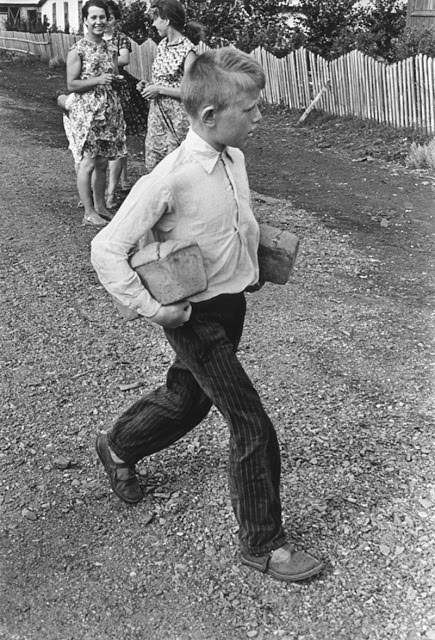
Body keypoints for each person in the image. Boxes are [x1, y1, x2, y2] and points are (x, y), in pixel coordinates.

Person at [90, 48, 324, 583]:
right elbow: (106, 248)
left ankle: (118, 445)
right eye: (252, 107)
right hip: (193, 314)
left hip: (230, 304)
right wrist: (155, 309)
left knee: (188, 396)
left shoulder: (233, 158)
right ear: (211, 115)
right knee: (250, 423)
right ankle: (264, 544)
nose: (260, 116)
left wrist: (256, 256)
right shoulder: (168, 178)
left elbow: (230, 221)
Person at [63, 0, 127, 226]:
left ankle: (100, 206)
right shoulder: (77, 50)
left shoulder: (111, 49)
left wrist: (116, 81)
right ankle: (88, 213)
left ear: (108, 19)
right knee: (88, 162)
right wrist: (98, 80)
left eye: (103, 17)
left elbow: (114, 76)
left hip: (109, 112)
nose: (99, 22)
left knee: (102, 162)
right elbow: (71, 84)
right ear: (86, 21)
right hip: (87, 114)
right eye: (94, 18)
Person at [137, 0, 203, 171]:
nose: (153, 24)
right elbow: (163, 80)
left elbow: (192, 91)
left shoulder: (188, 51)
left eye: (156, 19)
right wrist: (148, 86)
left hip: (178, 121)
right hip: (157, 117)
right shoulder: (162, 46)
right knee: (155, 167)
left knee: (176, 170)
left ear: (166, 20)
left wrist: (158, 90)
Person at [103, 0, 149, 207]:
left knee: (120, 134)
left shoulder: (120, 38)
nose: (106, 21)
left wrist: (101, 58)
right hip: (99, 85)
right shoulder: (93, 38)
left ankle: (120, 182)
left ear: (116, 20)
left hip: (120, 86)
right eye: (104, 17)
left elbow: (123, 60)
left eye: (110, 17)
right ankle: (114, 182)